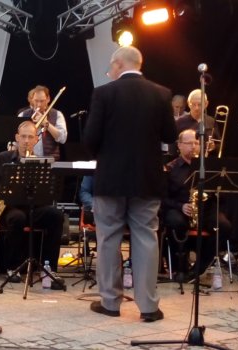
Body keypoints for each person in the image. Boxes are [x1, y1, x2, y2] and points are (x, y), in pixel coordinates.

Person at [84, 46, 176, 322]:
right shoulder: (161, 94)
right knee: (146, 237)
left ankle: (110, 303)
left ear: (119, 63)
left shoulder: (104, 93)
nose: (109, 71)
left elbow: (90, 139)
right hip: (147, 179)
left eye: (111, 66)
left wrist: (104, 153)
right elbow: (170, 134)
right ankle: (148, 307)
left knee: (109, 237)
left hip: (111, 178)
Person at [0, 121, 63, 276]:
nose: (26, 141)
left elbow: (45, 193)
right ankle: (12, 267)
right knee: (17, 218)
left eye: (30, 137)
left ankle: (48, 268)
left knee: (56, 216)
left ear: (36, 140)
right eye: (23, 137)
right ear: (17, 138)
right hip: (8, 208)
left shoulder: (41, 162)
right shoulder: (3, 157)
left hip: (32, 207)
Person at [161, 129, 232, 280]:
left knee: (223, 226)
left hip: (205, 209)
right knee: (175, 221)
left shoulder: (208, 167)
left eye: (196, 143)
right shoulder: (170, 168)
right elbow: (162, 198)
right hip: (180, 208)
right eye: (189, 143)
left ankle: (200, 267)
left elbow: (221, 193)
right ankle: (180, 267)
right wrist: (181, 206)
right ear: (179, 145)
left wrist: (218, 190)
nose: (193, 146)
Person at [17, 85, 67, 160]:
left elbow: (62, 138)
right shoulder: (22, 115)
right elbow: (17, 138)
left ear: (48, 99)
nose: (39, 104)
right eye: (36, 101)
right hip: (27, 160)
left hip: (50, 161)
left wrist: (47, 124)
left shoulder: (57, 114)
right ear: (32, 100)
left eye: (42, 101)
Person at [175, 89, 220, 156]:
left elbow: (219, 145)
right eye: (193, 104)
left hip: (207, 162)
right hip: (185, 163)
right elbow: (172, 146)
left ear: (206, 104)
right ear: (188, 104)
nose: (196, 108)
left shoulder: (211, 121)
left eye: (199, 104)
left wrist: (213, 147)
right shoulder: (179, 122)